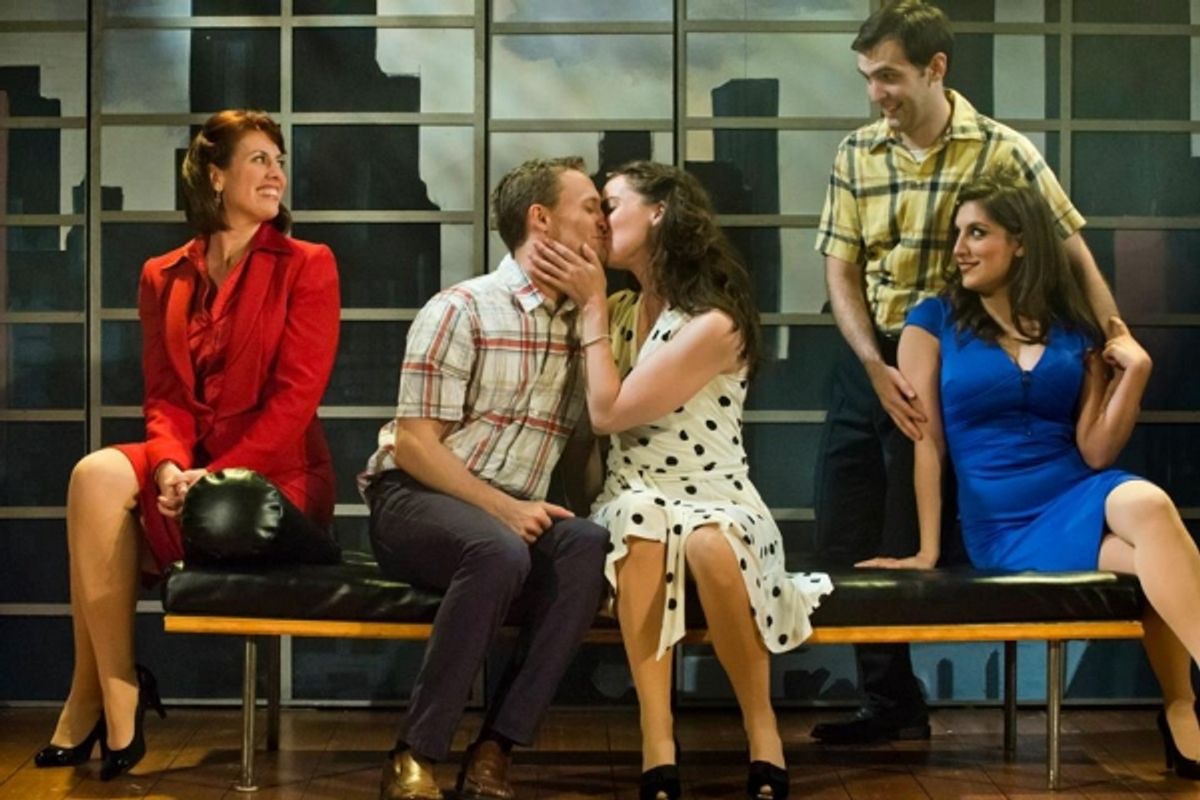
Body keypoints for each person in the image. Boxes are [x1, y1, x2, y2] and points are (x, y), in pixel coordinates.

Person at [810, 0, 1118, 744]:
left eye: (889, 76)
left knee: (913, 530)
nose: (877, 93)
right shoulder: (856, 152)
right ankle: (889, 701)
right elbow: (839, 269)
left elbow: (1070, 243)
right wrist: (871, 363)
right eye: (868, 78)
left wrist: (1114, 336)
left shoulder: (1002, 151)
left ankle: (903, 702)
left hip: (955, 357)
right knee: (840, 529)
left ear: (935, 68)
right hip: (872, 358)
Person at [34, 110, 340, 780]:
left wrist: (215, 476)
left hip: (272, 480)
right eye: (258, 159)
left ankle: (90, 695)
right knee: (94, 478)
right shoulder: (161, 275)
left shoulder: (308, 266)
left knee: (120, 536)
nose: (275, 173)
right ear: (214, 173)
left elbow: (296, 401)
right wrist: (171, 464)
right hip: (191, 470)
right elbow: (165, 395)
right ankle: (117, 687)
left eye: (278, 160)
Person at [879, 165, 1200, 780]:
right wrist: (925, 550)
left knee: (1154, 515)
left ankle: (1182, 706)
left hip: (1074, 488)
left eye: (978, 233)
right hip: (1003, 521)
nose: (961, 249)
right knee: (1165, 553)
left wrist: (1135, 372)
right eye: (958, 235)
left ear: (1020, 241)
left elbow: (1098, 452)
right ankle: (1184, 709)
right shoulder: (932, 322)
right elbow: (928, 446)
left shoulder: (1072, 326)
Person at [529, 161, 832, 800]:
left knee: (709, 543)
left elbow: (611, 409)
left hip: (715, 493)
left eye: (611, 206)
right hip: (632, 493)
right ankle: (657, 744)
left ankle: (763, 730)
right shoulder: (620, 308)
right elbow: (593, 426)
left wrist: (586, 307)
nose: (600, 223)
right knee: (642, 521)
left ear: (659, 212)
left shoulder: (713, 322)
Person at [359, 157, 611, 800]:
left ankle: (496, 747)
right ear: (541, 218)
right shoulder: (463, 309)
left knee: (586, 546)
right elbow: (415, 445)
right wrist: (501, 508)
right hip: (416, 498)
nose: (603, 221)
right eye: (590, 207)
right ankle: (413, 755)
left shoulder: (584, 326)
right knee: (496, 550)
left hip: (508, 512)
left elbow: (584, 444)